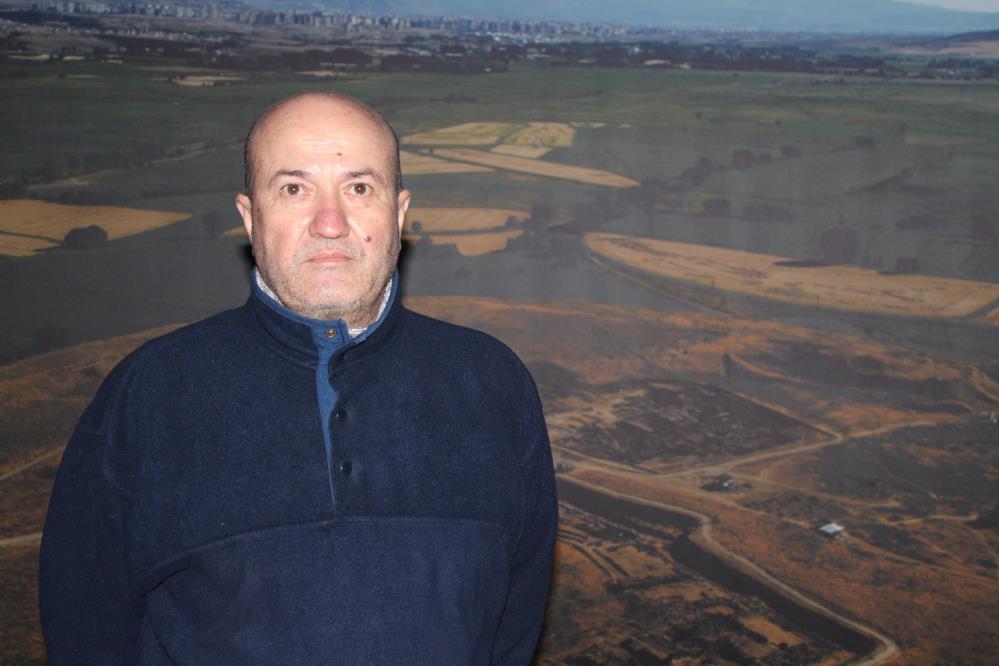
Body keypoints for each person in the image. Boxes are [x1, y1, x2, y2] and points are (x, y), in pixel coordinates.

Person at [39, 91, 558, 665]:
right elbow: (85, 629)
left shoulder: (490, 384)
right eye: (293, 189)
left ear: (399, 212)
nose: (329, 224)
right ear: (249, 217)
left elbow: (513, 626)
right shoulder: (148, 393)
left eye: (359, 188)